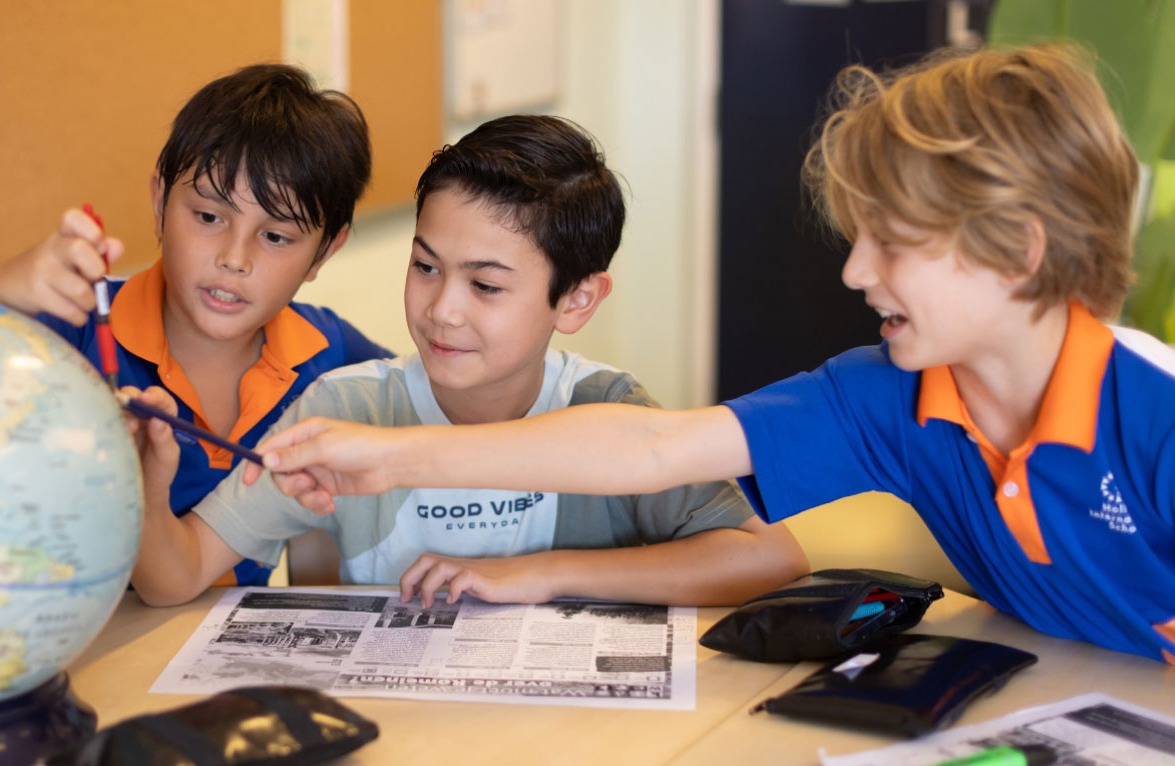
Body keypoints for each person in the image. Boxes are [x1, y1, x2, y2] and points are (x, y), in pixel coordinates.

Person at [252, 44, 1175, 663]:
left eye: (893, 242)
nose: (856, 271)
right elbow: (653, 446)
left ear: (1018, 252)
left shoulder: (1156, 419)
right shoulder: (888, 395)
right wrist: (393, 456)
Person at [129, 114, 809, 608]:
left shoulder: (607, 410)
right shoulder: (346, 409)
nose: (443, 311)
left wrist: (546, 573)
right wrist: (148, 490)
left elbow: (771, 558)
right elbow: (175, 577)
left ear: (576, 300)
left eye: (485, 285)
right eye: (425, 267)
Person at [0, 64, 391, 586]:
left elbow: (448, 410)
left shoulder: (328, 353)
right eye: (208, 217)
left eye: (276, 237)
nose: (234, 258)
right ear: (160, 203)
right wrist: (1, 285)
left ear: (324, 252)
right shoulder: (74, 323)